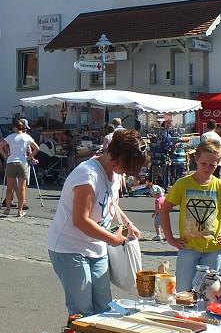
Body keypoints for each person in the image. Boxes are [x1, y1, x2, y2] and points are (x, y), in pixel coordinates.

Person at [46, 129, 149, 316]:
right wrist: (113, 239)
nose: (127, 172)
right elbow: (80, 220)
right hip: (69, 248)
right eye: (127, 166)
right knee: (82, 310)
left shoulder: (116, 174)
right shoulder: (87, 175)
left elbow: (112, 204)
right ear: (116, 156)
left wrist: (127, 223)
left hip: (97, 247)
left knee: (104, 307)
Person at [161, 141, 221, 292]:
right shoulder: (183, 184)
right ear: (196, 160)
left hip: (213, 249)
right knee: (184, 290)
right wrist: (170, 238)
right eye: (203, 163)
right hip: (188, 246)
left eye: (212, 165)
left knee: (210, 292)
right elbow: (164, 209)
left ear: (218, 164)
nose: (207, 168)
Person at [0, 119, 39, 217]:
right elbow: (37, 148)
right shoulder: (26, 137)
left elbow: (0, 146)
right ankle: (20, 210)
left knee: (9, 188)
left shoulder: (10, 137)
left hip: (11, 162)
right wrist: (29, 157)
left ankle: (7, 209)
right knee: (22, 188)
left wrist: (5, 155)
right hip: (22, 162)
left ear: (14, 128)